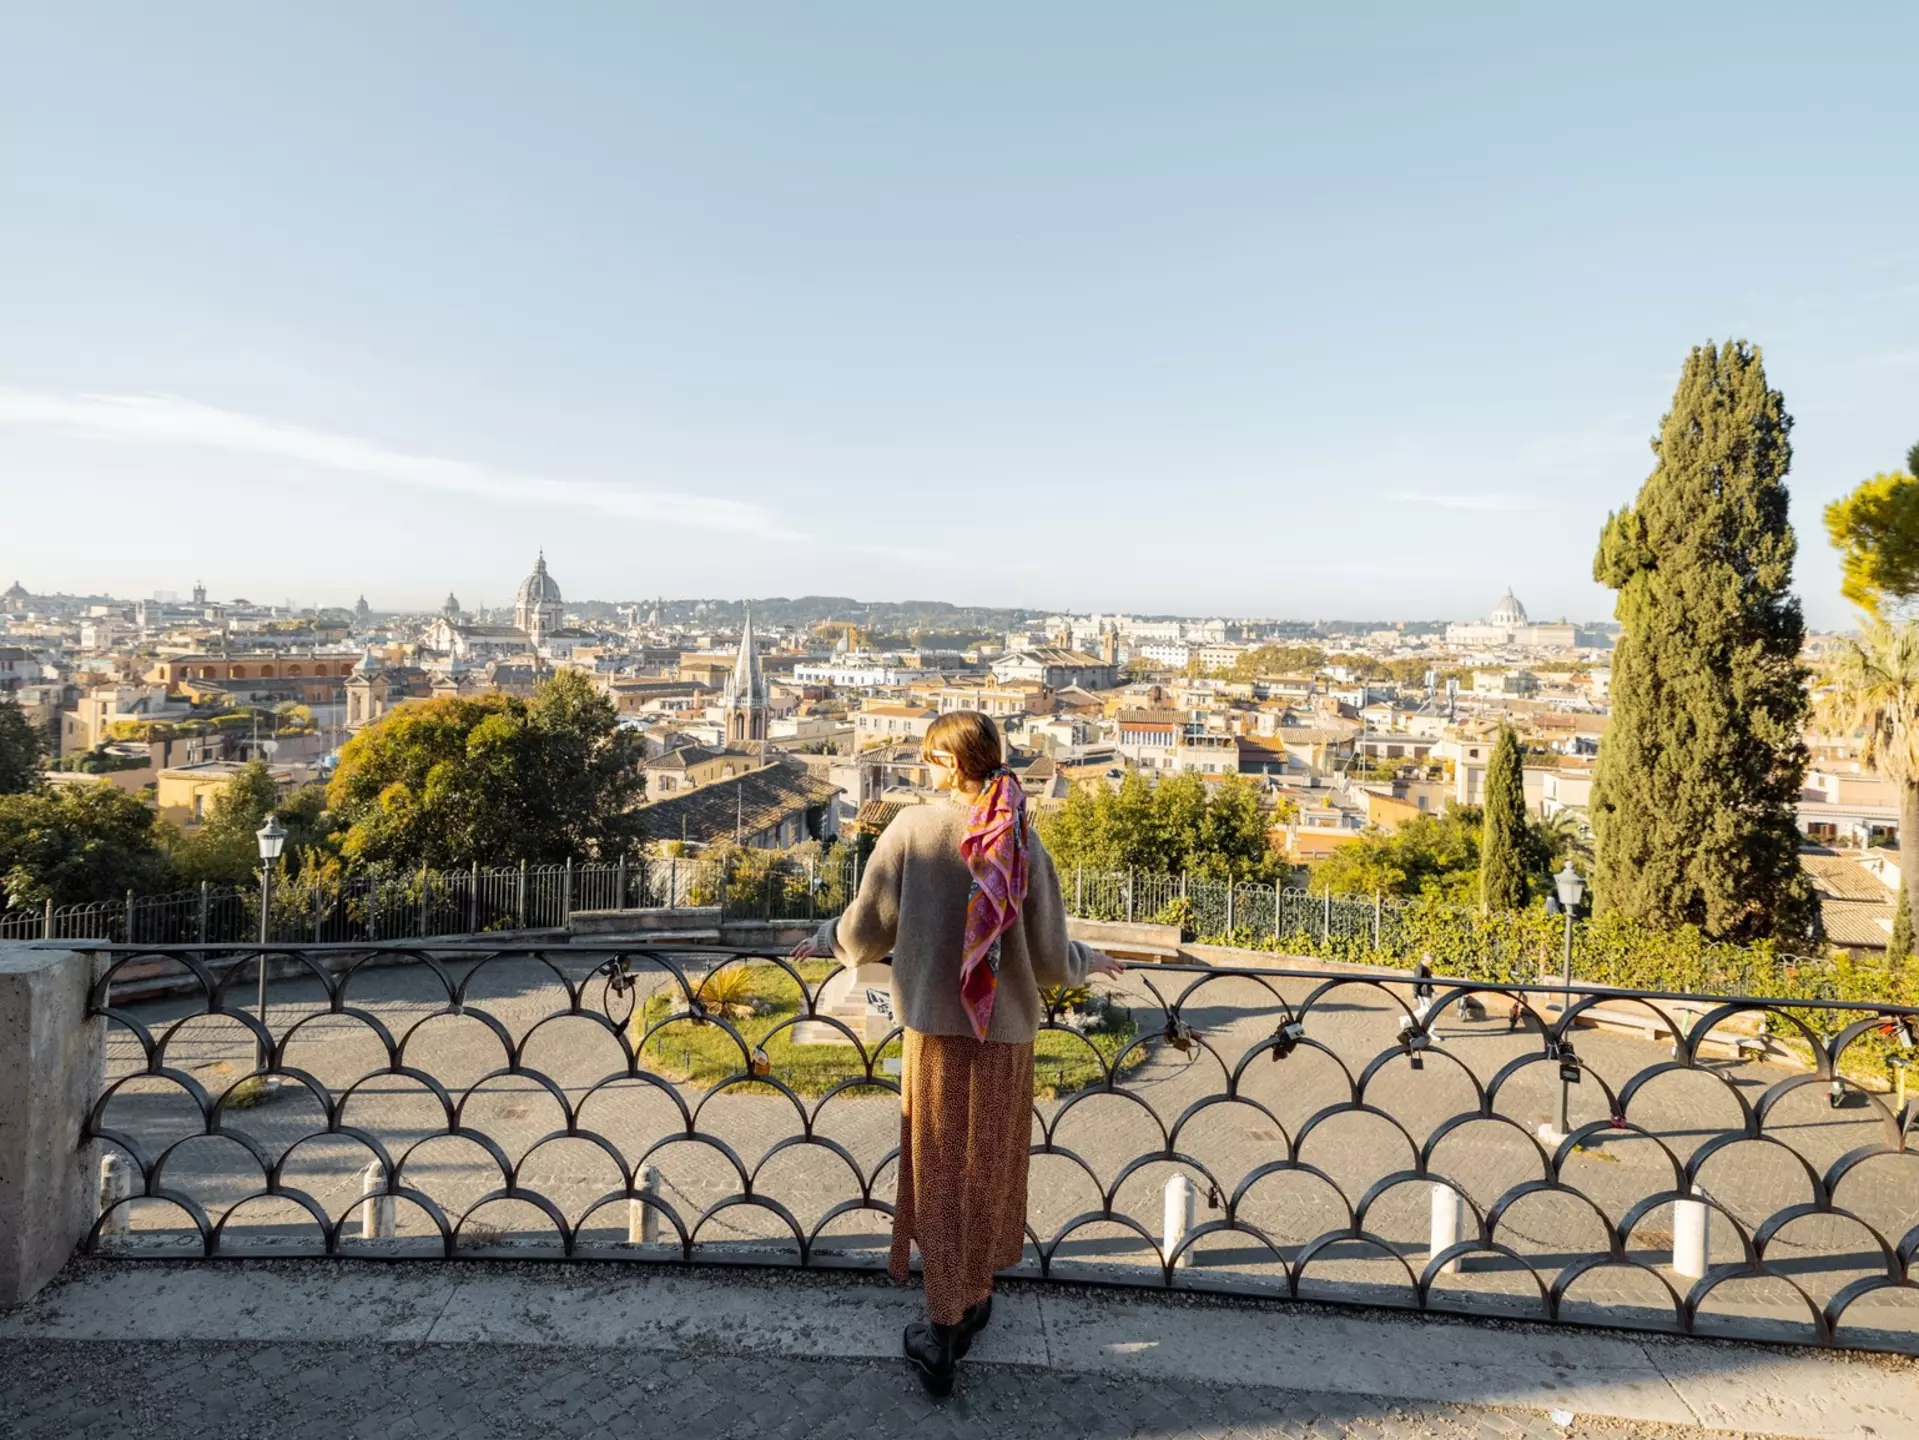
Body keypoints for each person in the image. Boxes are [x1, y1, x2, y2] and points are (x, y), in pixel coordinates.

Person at [791, 710, 1122, 1396]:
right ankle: (968, 1296)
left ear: (946, 764)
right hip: (1002, 1038)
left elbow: (867, 927)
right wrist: (1090, 960)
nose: (924, 770)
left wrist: (824, 936)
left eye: (927, 760)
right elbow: (1051, 959)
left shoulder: (912, 830)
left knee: (937, 1167)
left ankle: (941, 1327)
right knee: (987, 1171)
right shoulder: (1022, 837)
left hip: (937, 1033)